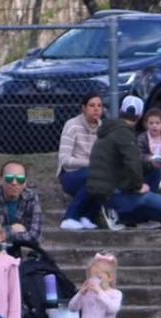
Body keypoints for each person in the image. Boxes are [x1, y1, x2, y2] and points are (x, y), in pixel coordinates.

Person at [86, 96, 161, 231]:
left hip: (108, 187)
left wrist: (152, 164)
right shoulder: (124, 133)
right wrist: (138, 186)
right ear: (140, 117)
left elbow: (127, 163)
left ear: (121, 111)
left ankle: (133, 217)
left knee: (155, 171)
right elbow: (132, 163)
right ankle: (117, 213)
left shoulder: (111, 131)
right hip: (111, 193)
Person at [58, 93, 104, 231]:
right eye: (91, 105)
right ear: (83, 108)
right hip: (70, 175)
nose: (96, 109)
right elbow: (65, 160)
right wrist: (91, 163)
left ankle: (88, 217)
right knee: (95, 175)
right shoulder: (72, 126)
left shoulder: (104, 129)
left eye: (99, 106)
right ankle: (70, 217)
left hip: (95, 172)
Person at [0, 160, 43, 249]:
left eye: (20, 179)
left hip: (18, 252)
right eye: (9, 178)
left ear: (25, 183)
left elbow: (35, 236)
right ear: (1, 180)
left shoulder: (31, 197)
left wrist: (0, 234)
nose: (14, 183)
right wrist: (12, 230)